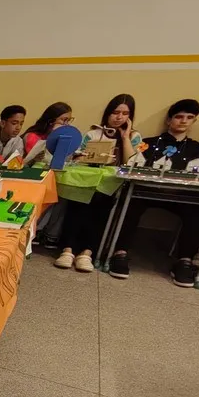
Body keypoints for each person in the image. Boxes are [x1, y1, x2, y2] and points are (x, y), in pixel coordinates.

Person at [107, 99, 199, 287]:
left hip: (181, 196)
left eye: (189, 117)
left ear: (194, 121)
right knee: (130, 202)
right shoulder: (149, 144)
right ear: (169, 120)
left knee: (198, 209)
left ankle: (185, 260)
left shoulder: (198, 149)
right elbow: (132, 166)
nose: (183, 121)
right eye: (179, 117)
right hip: (145, 191)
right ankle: (119, 252)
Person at [54, 94, 141, 272]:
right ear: (108, 113)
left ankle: (87, 252)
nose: (119, 117)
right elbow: (76, 158)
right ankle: (67, 249)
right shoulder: (93, 133)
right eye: (115, 112)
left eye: (125, 114)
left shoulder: (134, 137)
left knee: (101, 205)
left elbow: (131, 164)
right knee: (77, 201)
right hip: (86, 181)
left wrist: (125, 137)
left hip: (111, 186)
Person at [25, 102, 74, 247]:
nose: (66, 124)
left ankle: (50, 235)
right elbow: (31, 159)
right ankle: (36, 229)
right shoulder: (33, 136)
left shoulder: (65, 137)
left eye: (69, 120)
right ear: (51, 120)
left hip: (54, 174)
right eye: (63, 120)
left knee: (64, 194)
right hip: (31, 176)